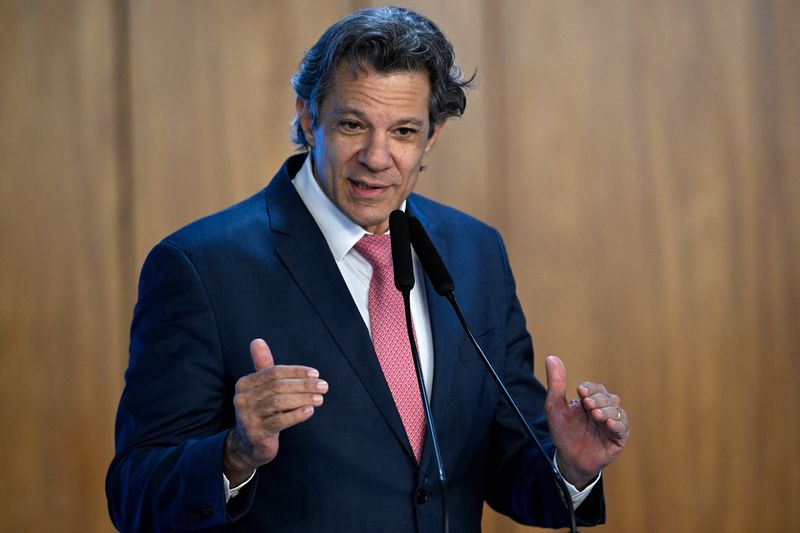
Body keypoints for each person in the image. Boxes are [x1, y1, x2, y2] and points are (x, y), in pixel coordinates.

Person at [106, 6, 629, 532]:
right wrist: (234, 455)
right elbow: (135, 496)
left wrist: (571, 467)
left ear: (432, 136)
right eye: (353, 125)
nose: (377, 157)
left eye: (403, 131)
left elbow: (506, 462)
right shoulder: (200, 268)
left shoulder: (475, 252)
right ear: (309, 117)